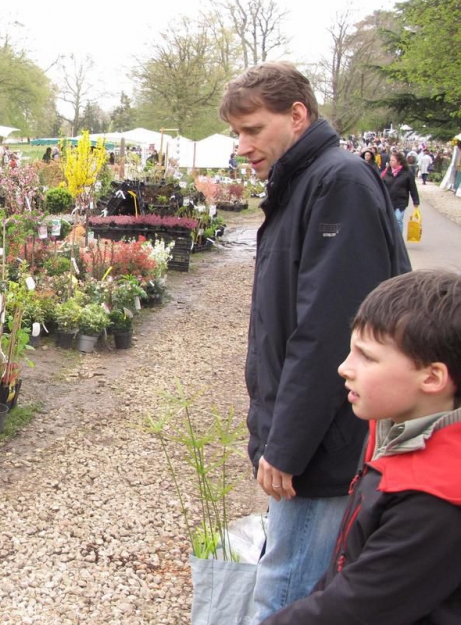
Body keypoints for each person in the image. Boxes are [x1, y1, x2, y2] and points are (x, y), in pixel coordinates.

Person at [218, 61, 411, 623]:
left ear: (297, 115)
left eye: (253, 129)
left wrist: (288, 445)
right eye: (237, 132)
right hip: (308, 437)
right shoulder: (304, 182)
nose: (242, 144)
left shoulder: (336, 184)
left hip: (324, 449)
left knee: (288, 593)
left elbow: (331, 332)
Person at [262, 269, 461, 625]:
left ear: (432, 378)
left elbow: (355, 608)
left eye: (366, 357)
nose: (344, 368)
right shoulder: (389, 429)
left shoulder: (436, 502)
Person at [380, 150, 420, 234]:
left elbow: (413, 188)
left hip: (401, 201)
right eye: (390, 160)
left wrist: (416, 201)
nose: (390, 162)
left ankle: (399, 240)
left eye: (393, 160)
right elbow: (380, 186)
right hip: (388, 201)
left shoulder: (407, 173)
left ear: (399, 162)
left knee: (398, 219)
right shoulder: (386, 173)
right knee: (389, 221)